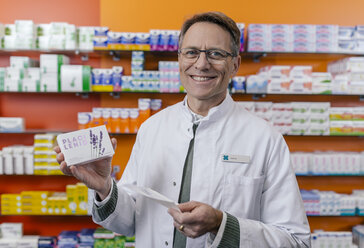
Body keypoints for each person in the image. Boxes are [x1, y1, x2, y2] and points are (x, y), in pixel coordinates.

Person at [55, 12, 311, 248]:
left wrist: (222, 225)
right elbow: (131, 221)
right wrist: (104, 188)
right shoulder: (152, 128)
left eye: (216, 54)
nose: (201, 64)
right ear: (179, 58)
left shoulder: (265, 139)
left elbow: (296, 240)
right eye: (191, 52)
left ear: (235, 65)